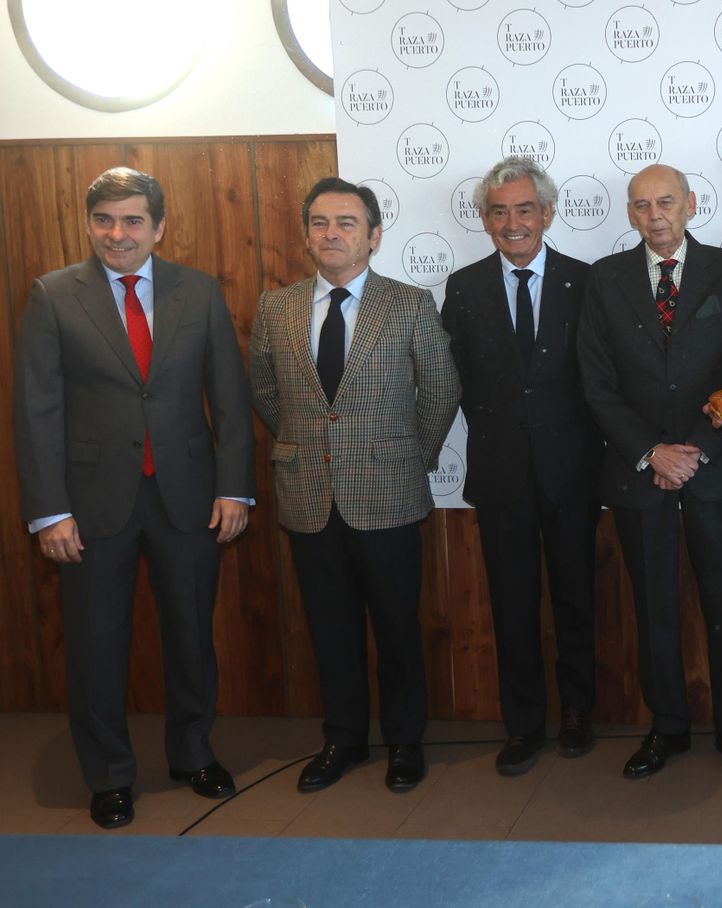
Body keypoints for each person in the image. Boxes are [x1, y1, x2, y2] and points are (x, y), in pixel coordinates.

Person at [12, 167, 254, 829]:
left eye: (131, 221)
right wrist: (49, 510)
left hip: (189, 498)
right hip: (90, 506)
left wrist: (235, 487)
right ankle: (109, 774)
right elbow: (37, 409)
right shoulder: (55, 295)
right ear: (89, 225)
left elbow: (229, 401)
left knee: (190, 636)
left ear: (159, 227)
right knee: (96, 643)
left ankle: (192, 753)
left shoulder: (198, 292)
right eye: (104, 221)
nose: (116, 235)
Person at [248, 177, 460, 795]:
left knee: (396, 627)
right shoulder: (276, 308)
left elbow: (442, 389)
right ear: (306, 233)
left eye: (346, 222)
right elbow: (265, 390)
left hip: (388, 495)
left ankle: (404, 743)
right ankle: (342, 739)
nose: (331, 233)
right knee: (329, 627)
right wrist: (301, 445)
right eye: (319, 222)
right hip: (309, 495)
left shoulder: (409, 303)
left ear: (374, 235)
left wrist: (408, 456)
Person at [576, 163, 722, 781]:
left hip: (716, 465)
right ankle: (668, 728)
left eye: (665, 203)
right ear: (629, 213)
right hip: (639, 472)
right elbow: (596, 384)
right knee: (652, 606)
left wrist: (697, 449)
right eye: (641, 206)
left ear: (690, 205)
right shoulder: (604, 280)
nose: (654, 216)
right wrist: (652, 451)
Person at [441, 157, 602, 775]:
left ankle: (578, 715)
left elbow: (601, 380)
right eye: (500, 211)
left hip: (572, 474)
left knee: (575, 601)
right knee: (512, 607)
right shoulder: (463, 288)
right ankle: (524, 725)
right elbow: (449, 382)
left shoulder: (586, 282)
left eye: (524, 209)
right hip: (501, 476)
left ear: (548, 213)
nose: (513, 223)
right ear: (484, 219)